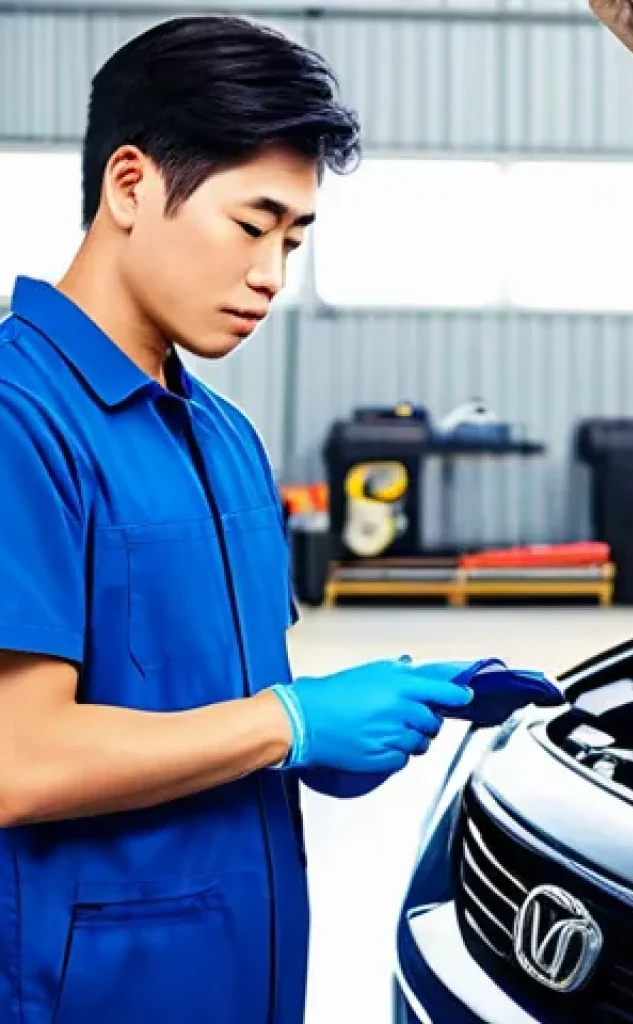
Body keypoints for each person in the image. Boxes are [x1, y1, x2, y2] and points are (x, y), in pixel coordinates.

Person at [0, 15, 482, 1024]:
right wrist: (289, 724)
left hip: (246, 976)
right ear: (130, 185)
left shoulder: (224, 436)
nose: (273, 273)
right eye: (251, 224)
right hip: (90, 991)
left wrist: (327, 728)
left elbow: (217, 704)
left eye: (295, 239)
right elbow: (19, 758)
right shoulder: (20, 418)